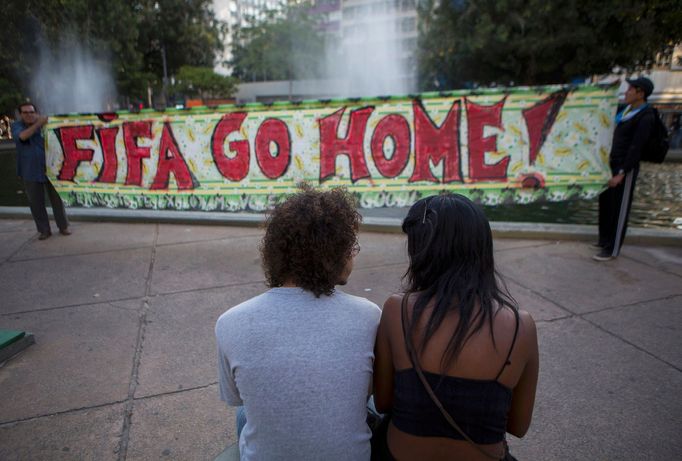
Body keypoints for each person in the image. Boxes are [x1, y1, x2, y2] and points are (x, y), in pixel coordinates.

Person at [215, 185, 381, 460]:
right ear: (333, 253)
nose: (354, 254)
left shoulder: (230, 322)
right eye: (351, 245)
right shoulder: (369, 315)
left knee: (245, 413)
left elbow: (236, 398)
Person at [373, 194, 539, 461]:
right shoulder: (522, 326)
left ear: (422, 252)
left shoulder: (398, 310)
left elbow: (383, 401)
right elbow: (518, 426)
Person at [593, 77, 655, 261]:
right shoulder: (626, 111)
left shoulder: (646, 116)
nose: (626, 92)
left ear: (640, 93)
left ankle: (612, 249)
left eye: (630, 89)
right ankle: (604, 240)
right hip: (610, 164)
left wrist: (621, 173)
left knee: (620, 208)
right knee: (606, 205)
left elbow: (636, 147)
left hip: (624, 169)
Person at [11, 102, 70, 240]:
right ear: (20, 115)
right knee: (36, 202)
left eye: (31, 112)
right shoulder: (17, 126)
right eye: (25, 112)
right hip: (29, 170)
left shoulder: (47, 124)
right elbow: (22, 137)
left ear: (36, 113)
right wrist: (38, 124)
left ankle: (63, 226)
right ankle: (44, 230)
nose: (29, 115)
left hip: (51, 168)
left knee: (57, 200)